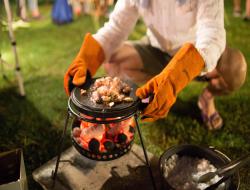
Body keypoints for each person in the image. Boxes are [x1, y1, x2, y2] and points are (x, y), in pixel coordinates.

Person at [64, 0, 247, 130]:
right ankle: (139, 103)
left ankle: (207, 98)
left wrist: (178, 74)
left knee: (236, 69)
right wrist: (87, 58)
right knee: (114, 59)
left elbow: (212, 33)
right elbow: (116, 27)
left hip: (196, 55)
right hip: (157, 50)